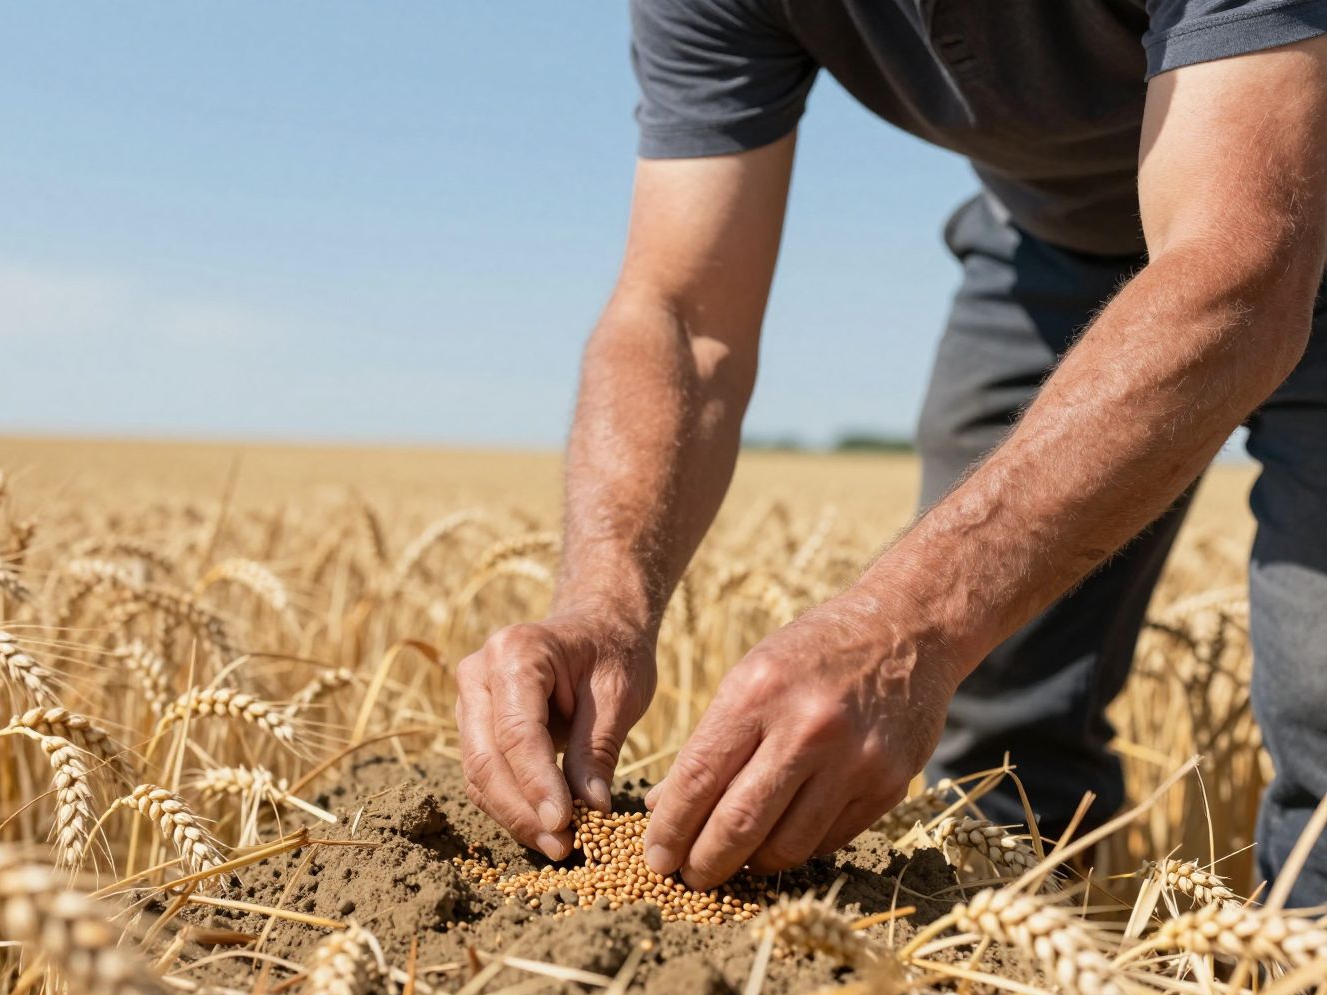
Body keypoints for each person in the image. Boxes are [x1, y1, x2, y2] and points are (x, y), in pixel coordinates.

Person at [455, 0, 1327, 907]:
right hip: (1055, 239)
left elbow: (1243, 266)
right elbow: (681, 314)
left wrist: (909, 623)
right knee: (994, 734)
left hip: (1295, 189)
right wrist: (603, 600)